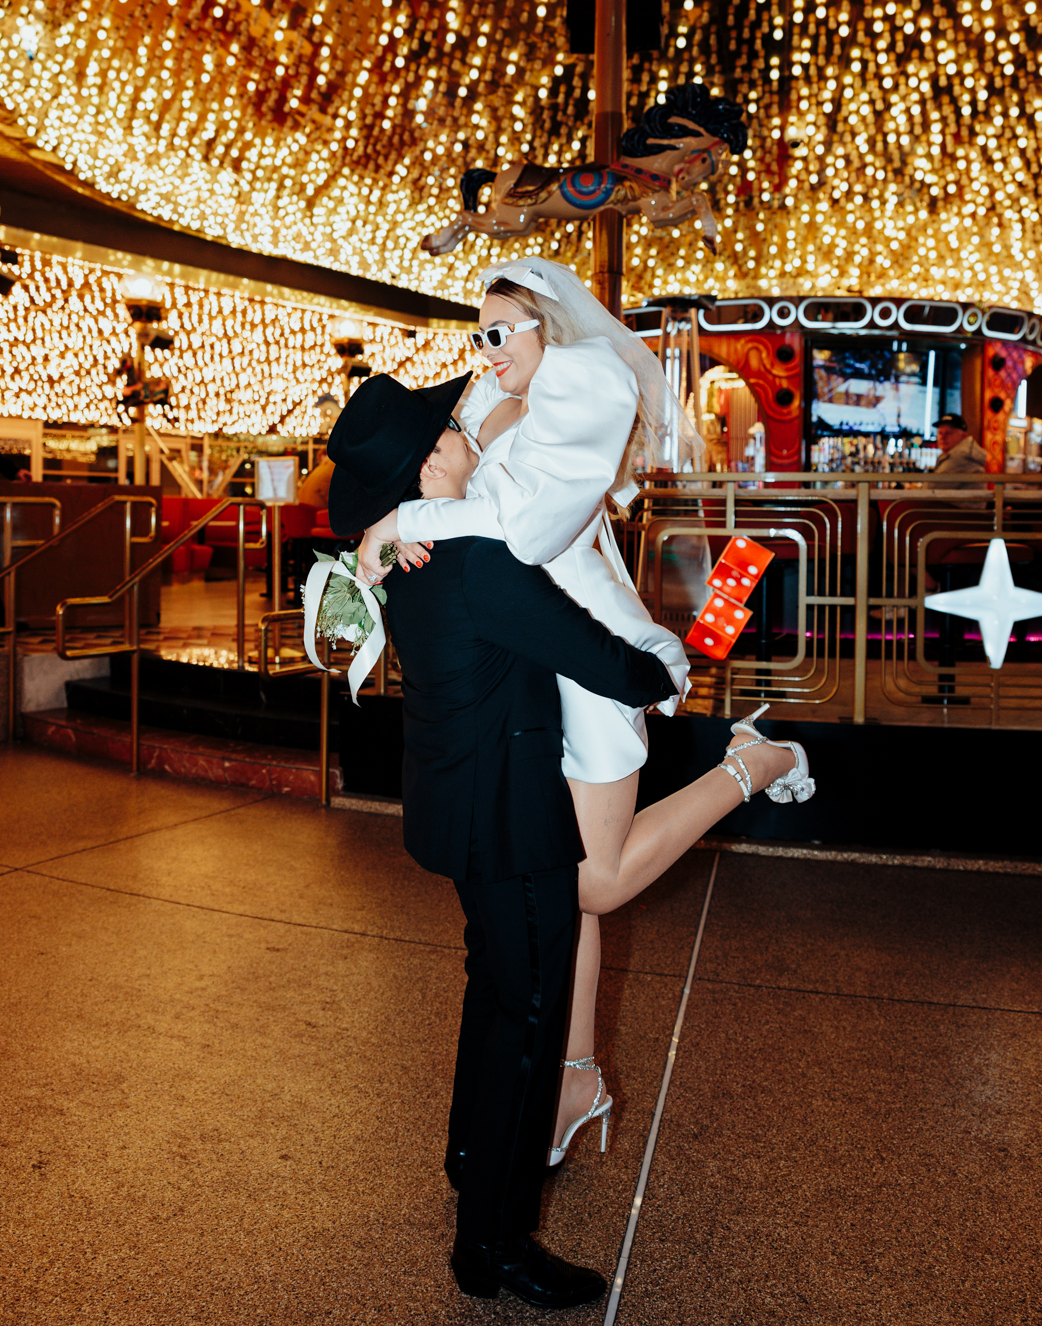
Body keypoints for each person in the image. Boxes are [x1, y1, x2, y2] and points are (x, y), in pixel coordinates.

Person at [352, 258, 813, 1167]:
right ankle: (574, 1076)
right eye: (475, 337)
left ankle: (752, 763)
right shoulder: (483, 411)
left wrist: (412, 521)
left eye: (499, 334)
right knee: (559, 890)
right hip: (522, 676)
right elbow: (439, 497)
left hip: (592, 665)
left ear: (544, 327)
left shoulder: (586, 386)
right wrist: (405, 521)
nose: (484, 354)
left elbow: (522, 531)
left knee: (591, 884)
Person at [324, 370, 680, 1309]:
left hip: (460, 809)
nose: (469, 434)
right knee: (523, 1020)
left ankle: (469, 1158)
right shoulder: (472, 557)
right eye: (452, 430)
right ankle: (492, 1242)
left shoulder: (405, 554)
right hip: (514, 823)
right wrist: (664, 675)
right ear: (436, 460)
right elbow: (587, 650)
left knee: (494, 999)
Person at [933, 411, 986, 481]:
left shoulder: (962, 456)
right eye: (940, 433)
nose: (943, 437)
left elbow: (931, 487)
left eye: (948, 433)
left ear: (963, 436)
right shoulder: (955, 454)